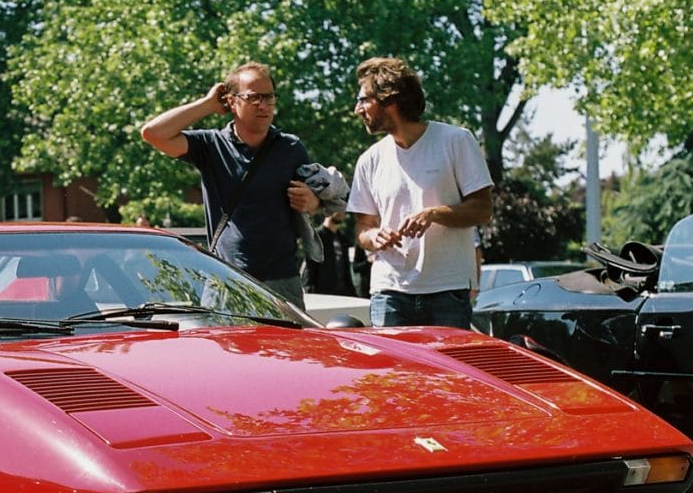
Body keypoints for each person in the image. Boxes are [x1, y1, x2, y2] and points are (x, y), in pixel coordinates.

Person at [141, 61, 319, 306]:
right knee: (222, 347)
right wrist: (207, 104)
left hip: (282, 283)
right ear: (232, 101)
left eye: (269, 97)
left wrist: (312, 202)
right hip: (227, 282)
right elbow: (153, 133)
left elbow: (313, 208)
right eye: (254, 97)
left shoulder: (291, 148)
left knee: (283, 347)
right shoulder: (211, 145)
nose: (264, 105)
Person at [346, 57, 493, 328]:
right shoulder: (370, 159)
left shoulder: (456, 140)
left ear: (388, 98)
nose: (357, 109)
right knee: (391, 372)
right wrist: (373, 236)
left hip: (447, 289)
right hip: (388, 291)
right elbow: (362, 230)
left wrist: (433, 214)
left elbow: (483, 209)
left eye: (363, 99)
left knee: (447, 372)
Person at [302, 211, 355, 296]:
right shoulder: (317, 236)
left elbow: (346, 269)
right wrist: (308, 291)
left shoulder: (342, 238)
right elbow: (309, 267)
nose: (340, 212)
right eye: (336, 208)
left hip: (343, 293)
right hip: (322, 293)